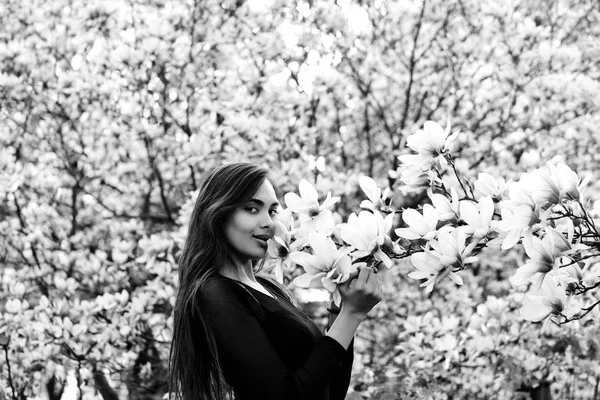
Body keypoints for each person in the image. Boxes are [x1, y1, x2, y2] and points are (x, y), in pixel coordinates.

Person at [168, 162, 382, 400]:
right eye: (251, 209)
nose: (268, 222)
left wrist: (340, 307)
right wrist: (351, 314)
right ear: (217, 215)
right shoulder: (215, 293)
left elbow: (331, 390)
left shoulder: (267, 287)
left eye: (271, 211)